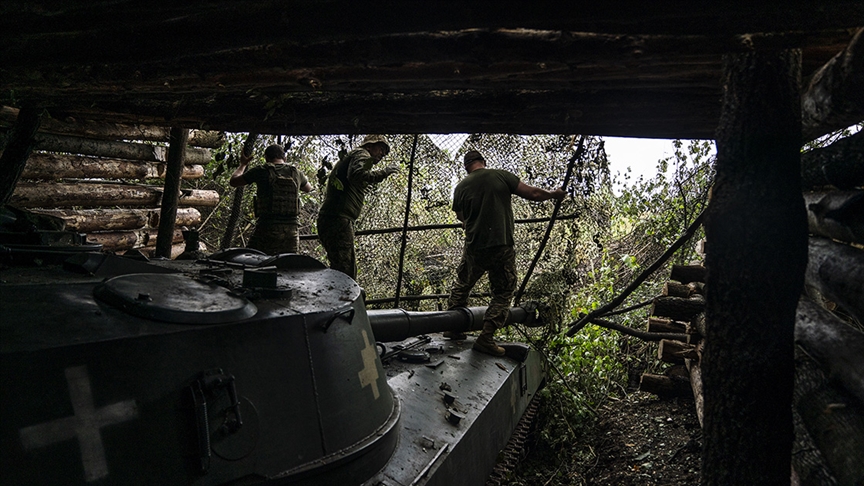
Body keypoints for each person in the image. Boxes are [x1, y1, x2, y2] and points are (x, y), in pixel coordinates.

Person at [446, 150, 566, 356]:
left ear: (466, 167)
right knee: (503, 292)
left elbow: (460, 216)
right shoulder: (499, 175)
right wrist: (553, 195)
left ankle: (452, 327)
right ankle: (486, 337)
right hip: (501, 244)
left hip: (474, 246)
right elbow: (533, 194)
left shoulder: (461, 188)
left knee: (462, 285)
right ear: (483, 161)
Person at [316, 134, 398, 279]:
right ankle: (340, 300)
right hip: (338, 219)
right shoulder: (362, 154)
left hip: (334, 218)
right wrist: (383, 173)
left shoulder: (353, 156)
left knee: (343, 269)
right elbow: (356, 174)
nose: (383, 154)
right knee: (345, 273)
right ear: (370, 146)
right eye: (381, 148)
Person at [230, 144, 313, 254]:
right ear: (285, 158)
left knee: (251, 259)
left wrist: (243, 164)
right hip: (291, 230)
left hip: (267, 228)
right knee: (288, 265)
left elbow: (234, 181)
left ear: (266, 158)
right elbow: (308, 189)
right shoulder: (296, 172)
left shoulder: (261, 170)